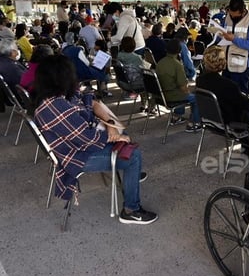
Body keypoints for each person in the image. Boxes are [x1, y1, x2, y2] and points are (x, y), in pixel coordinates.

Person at [33, 55, 157, 225]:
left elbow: (92, 100)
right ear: (62, 77)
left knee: (124, 139)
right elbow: (88, 139)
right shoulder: (56, 107)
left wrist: (111, 124)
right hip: (76, 157)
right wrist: (114, 132)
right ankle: (131, 210)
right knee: (133, 154)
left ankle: (130, 173)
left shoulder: (58, 96)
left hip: (79, 145)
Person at [197, 45, 249, 136]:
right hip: (230, 121)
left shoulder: (200, 80)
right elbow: (248, 107)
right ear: (223, 62)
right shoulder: (228, 85)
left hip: (211, 120)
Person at [156, 39, 200, 131]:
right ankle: (194, 123)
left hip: (161, 96)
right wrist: (188, 92)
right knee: (197, 98)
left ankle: (177, 117)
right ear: (179, 51)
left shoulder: (160, 63)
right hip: (173, 97)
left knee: (180, 91)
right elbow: (183, 87)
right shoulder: (177, 65)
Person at [220, 0, 249, 92]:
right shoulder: (227, 17)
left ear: (242, 11)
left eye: (235, 15)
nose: (232, 17)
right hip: (226, 64)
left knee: (239, 95)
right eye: (231, 13)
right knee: (226, 94)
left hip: (240, 67)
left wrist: (234, 39)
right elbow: (224, 31)